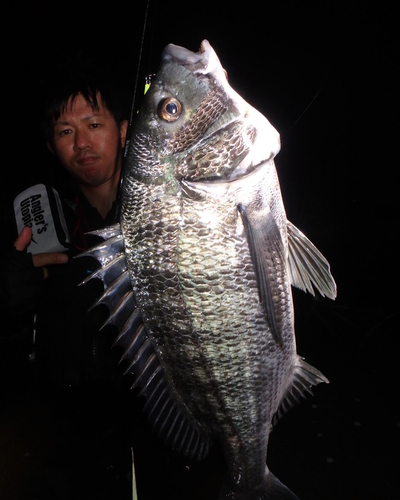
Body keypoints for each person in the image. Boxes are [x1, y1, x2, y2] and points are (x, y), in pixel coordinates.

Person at [0, 62, 134, 499]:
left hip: (157, 423)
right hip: (68, 432)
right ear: (51, 146)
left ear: (124, 131)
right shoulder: (35, 222)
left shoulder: (170, 218)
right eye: (64, 131)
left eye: (94, 124)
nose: (81, 143)